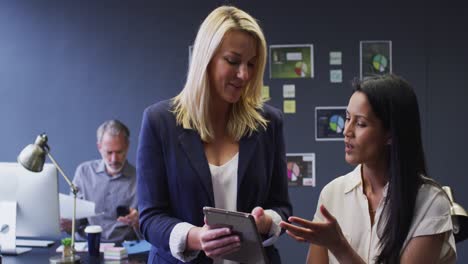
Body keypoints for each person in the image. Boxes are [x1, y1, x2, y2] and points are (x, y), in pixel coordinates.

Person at [137, 5, 292, 264]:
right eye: (233, 61)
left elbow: (282, 207)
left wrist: (267, 221)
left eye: (251, 64)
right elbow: (150, 217)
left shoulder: (268, 123)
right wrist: (196, 236)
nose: (244, 74)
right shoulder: (159, 121)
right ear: (205, 58)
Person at [280, 74, 457, 263]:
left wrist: (339, 246)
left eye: (360, 123)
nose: (346, 131)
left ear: (390, 134)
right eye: (347, 118)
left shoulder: (430, 202)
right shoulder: (332, 193)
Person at [61, 119, 141, 243]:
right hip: (87, 244)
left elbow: (149, 228)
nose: (114, 159)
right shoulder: (84, 172)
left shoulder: (140, 178)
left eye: (119, 152)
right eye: (109, 152)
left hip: (124, 248)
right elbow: (76, 219)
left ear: (127, 146)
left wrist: (138, 222)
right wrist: (68, 224)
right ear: (99, 147)